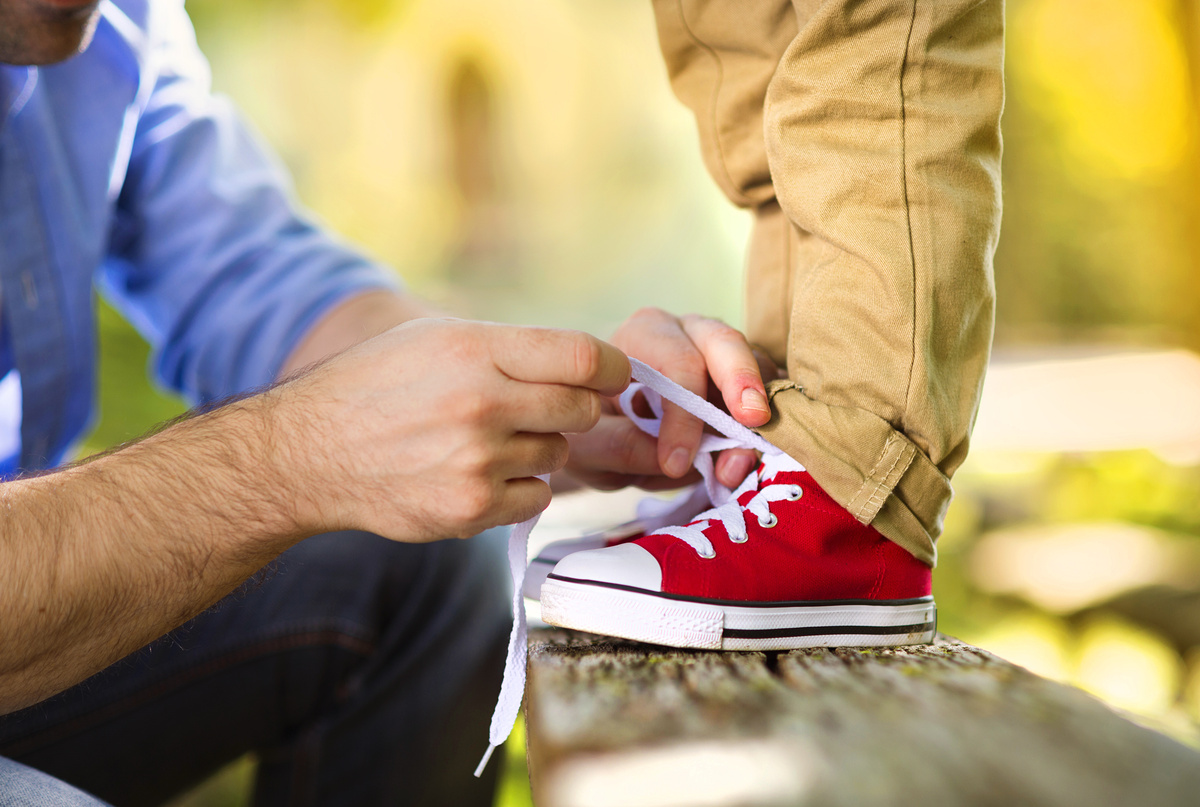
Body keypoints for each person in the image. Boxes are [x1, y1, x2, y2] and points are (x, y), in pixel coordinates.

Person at [0, 1, 774, 804]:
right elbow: (308, 440)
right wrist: (297, 456)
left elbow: (263, 283)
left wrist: (573, 391)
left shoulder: (115, 28)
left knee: (432, 552)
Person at [540, 0, 1004, 649]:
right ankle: (784, 456)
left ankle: (854, 493)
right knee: (754, 62)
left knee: (865, 41)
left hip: (872, 494)